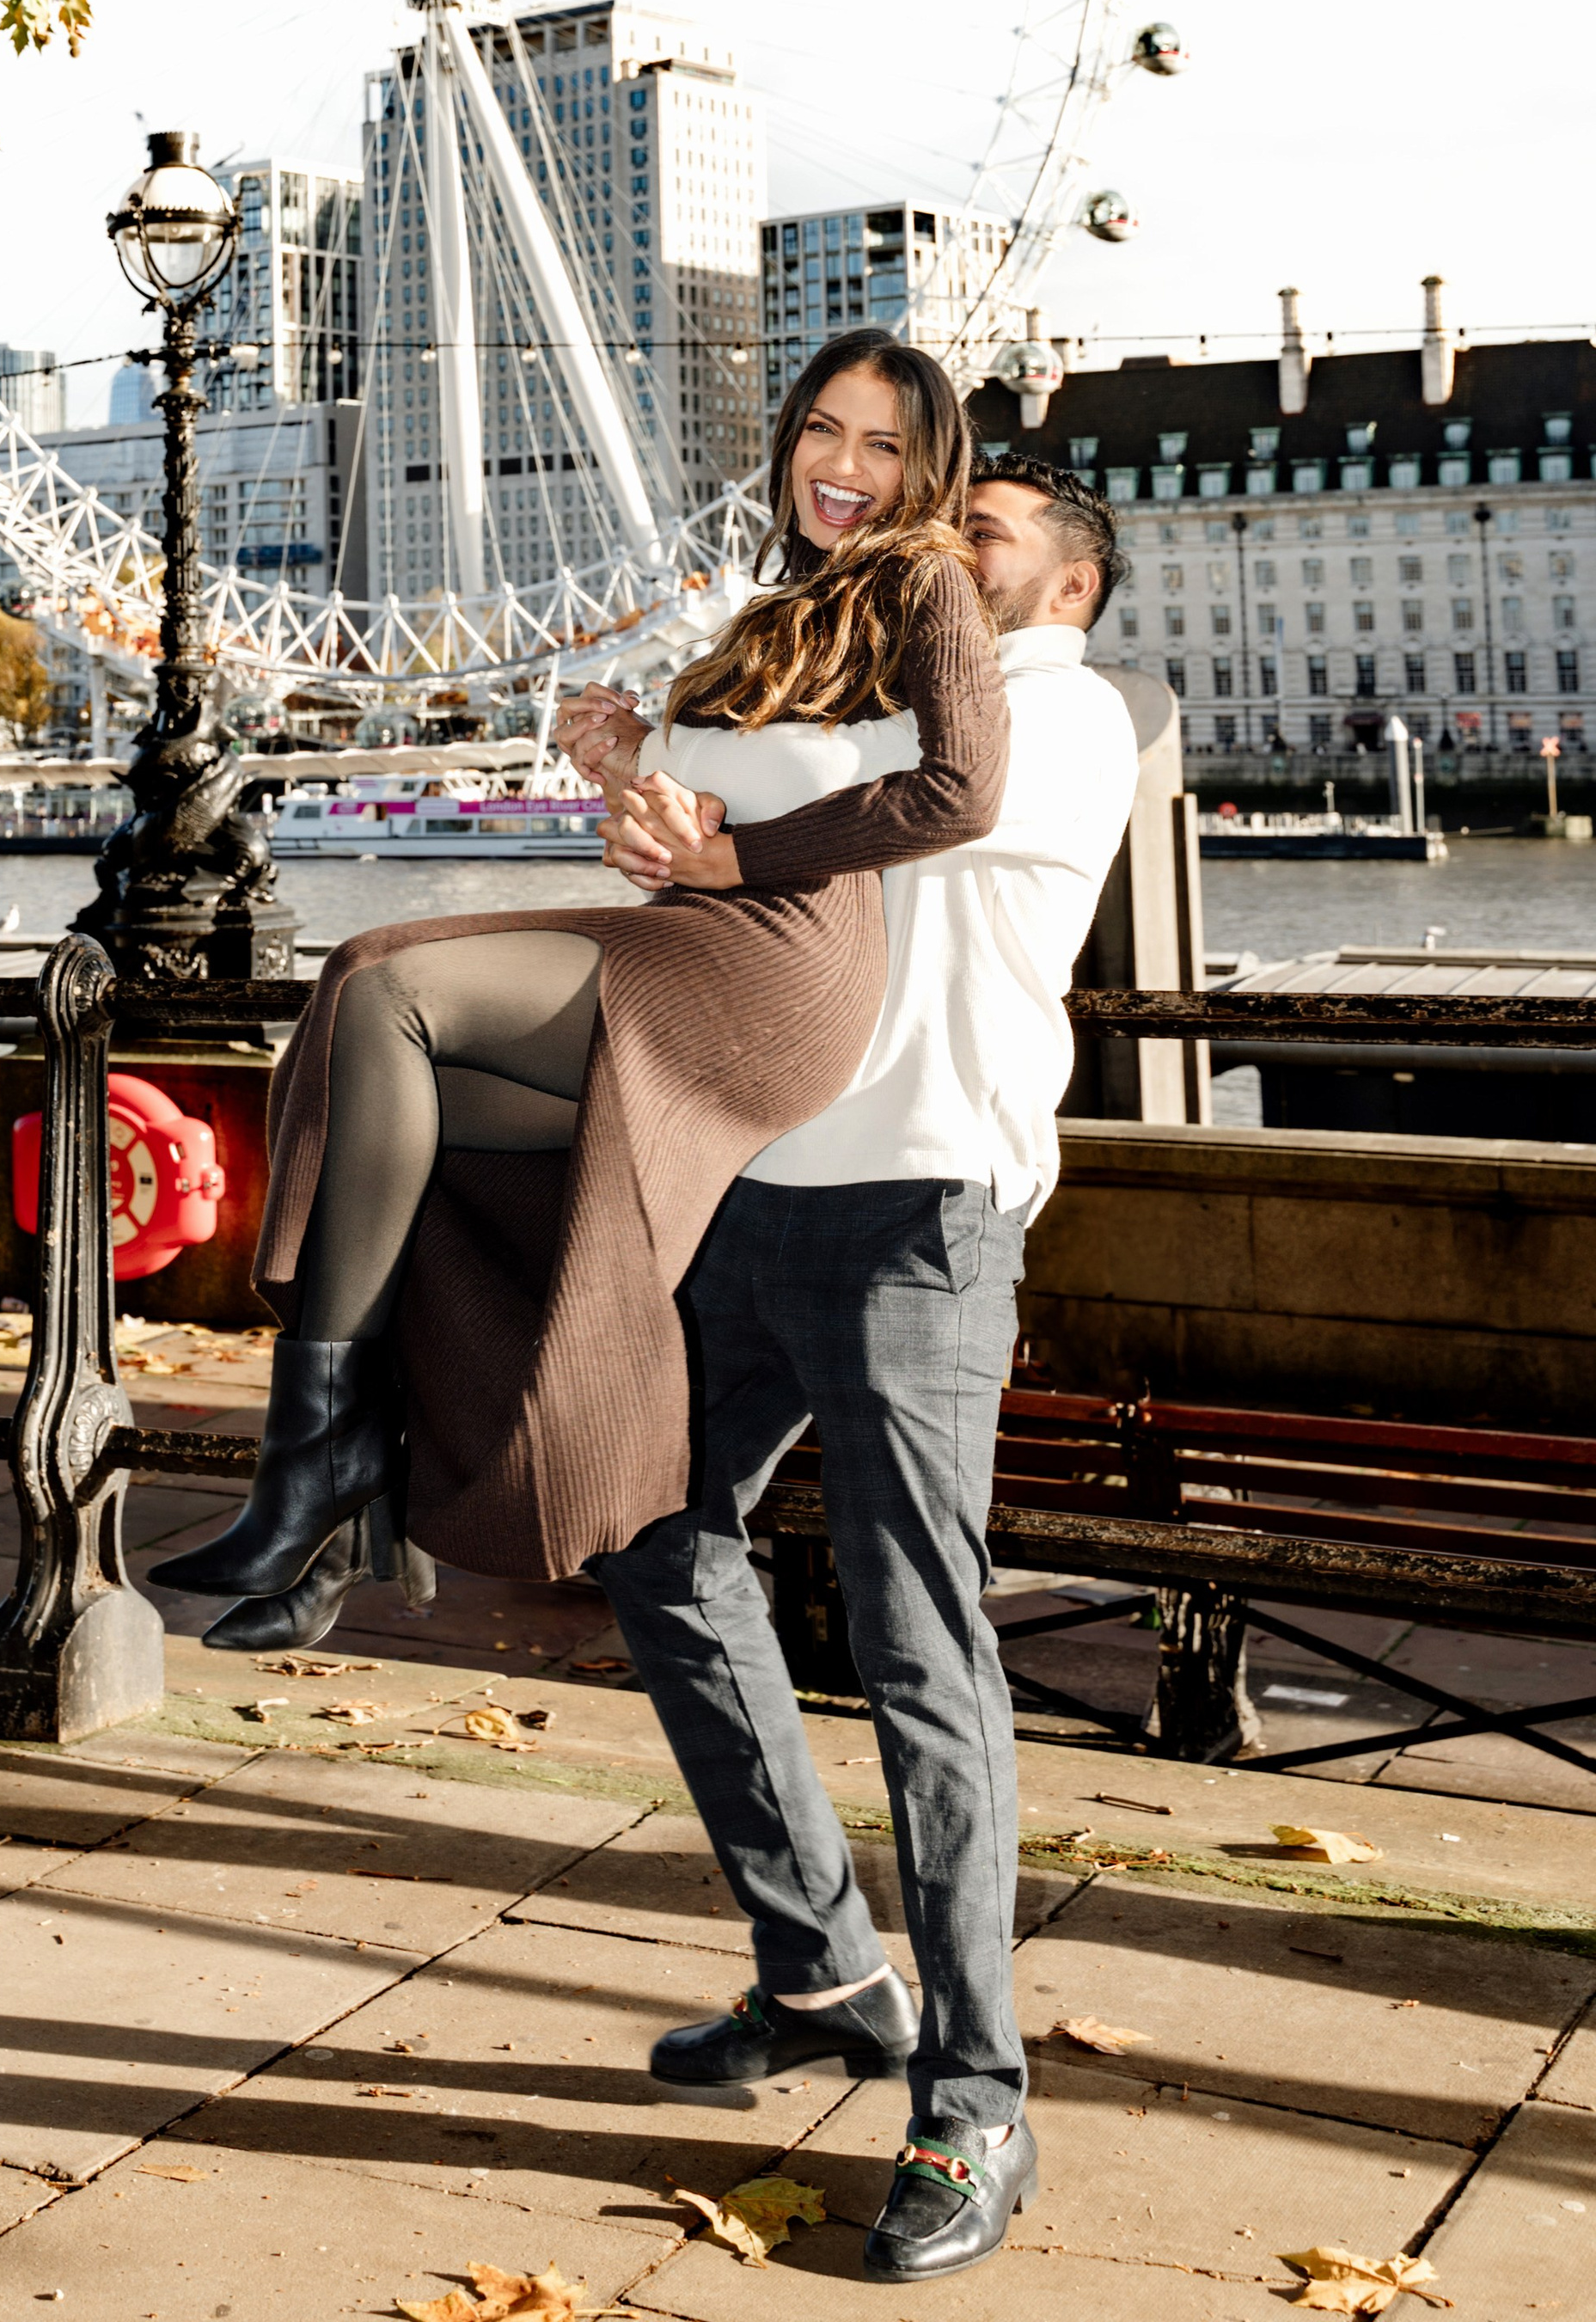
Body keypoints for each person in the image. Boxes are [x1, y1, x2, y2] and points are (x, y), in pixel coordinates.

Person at [149, 334, 1009, 1659]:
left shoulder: (929, 587)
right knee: (375, 1016)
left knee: (395, 998)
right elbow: (704, 820)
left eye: (883, 445)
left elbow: (961, 792)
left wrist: (729, 854)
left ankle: (324, 1462)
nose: (842, 467)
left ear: (926, 467)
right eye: (823, 431)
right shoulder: (785, 610)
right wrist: (622, 764)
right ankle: (340, 1491)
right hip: (705, 937)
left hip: (777, 965)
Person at [573, 448, 1139, 2284]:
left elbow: (906, 810)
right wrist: (624, 775)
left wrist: (708, 799)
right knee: (649, 1529)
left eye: (970, 536)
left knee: (918, 1641)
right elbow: (724, 876)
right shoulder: (874, 691)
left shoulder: (1060, 721)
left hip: (919, 1210)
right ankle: (820, 1957)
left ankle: (975, 2094)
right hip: (763, 1186)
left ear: (1061, 587)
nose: (924, 552)